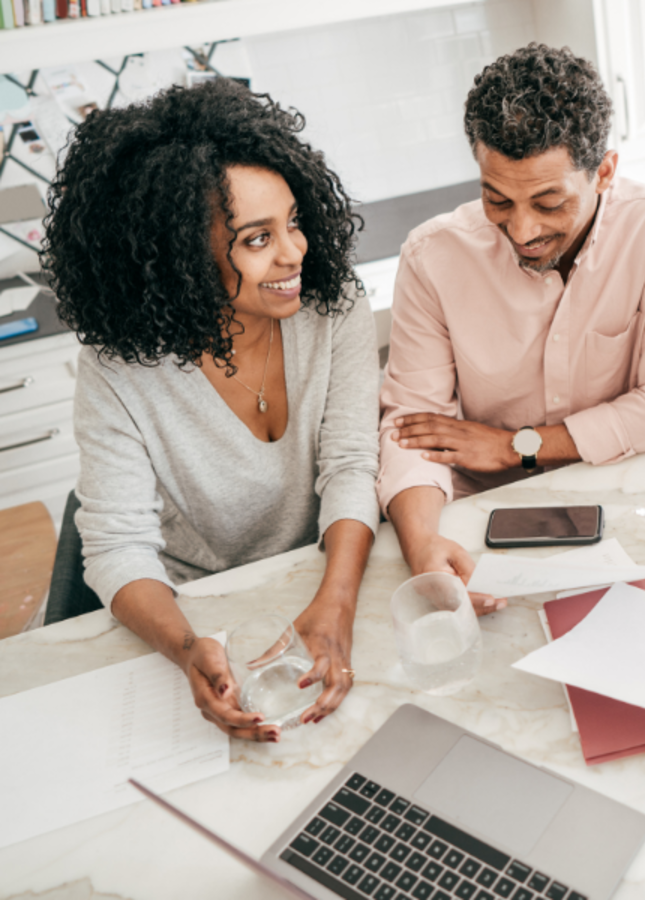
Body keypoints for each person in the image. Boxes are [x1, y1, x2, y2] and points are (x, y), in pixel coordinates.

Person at [42, 80, 381, 743]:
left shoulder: (333, 307)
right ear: (179, 258)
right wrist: (185, 646)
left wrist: (336, 601)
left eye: (294, 221)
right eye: (258, 239)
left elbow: (350, 464)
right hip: (203, 609)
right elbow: (115, 548)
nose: (294, 253)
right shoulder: (119, 371)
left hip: (323, 572)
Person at [377, 44, 645, 613]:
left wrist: (516, 447)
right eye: (497, 199)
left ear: (604, 172)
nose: (523, 229)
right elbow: (411, 427)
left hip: (617, 495)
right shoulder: (433, 255)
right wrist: (423, 543)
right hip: (479, 515)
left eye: (550, 202)